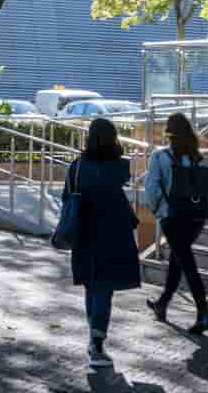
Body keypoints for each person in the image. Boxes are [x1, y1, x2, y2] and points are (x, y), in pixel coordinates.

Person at [65, 115, 142, 370]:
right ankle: (96, 343)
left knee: (92, 284)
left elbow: (67, 197)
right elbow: (118, 181)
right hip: (113, 233)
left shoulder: (76, 166)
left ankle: (94, 340)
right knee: (104, 288)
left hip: (84, 231)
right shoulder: (120, 166)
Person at [142, 111, 208, 335]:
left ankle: (204, 314)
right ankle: (163, 303)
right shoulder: (200, 157)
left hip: (172, 217)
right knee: (178, 258)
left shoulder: (160, 156)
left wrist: (157, 211)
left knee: (186, 263)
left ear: (169, 132)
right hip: (196, 218)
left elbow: (152, 189)